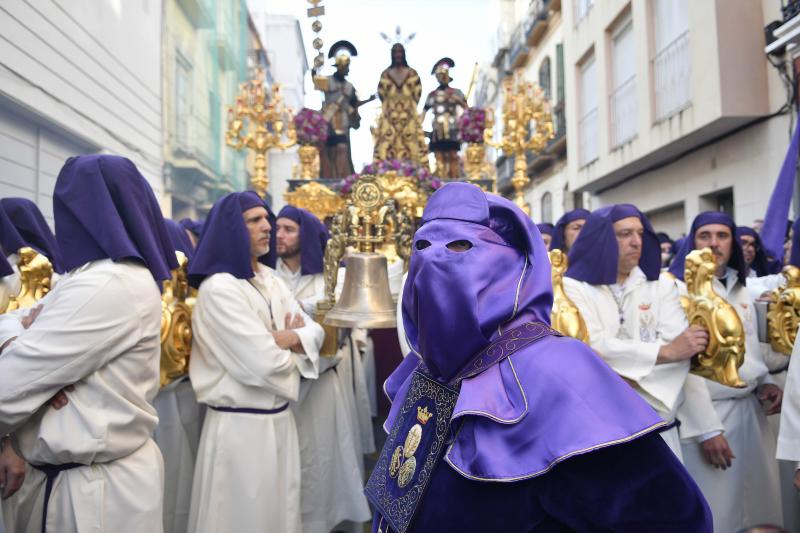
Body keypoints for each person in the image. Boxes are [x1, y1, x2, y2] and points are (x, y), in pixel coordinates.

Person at [366, 182, 711, 532]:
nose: (435, 260)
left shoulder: (562, 371)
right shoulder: (425, 371)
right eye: (421, 247)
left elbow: (671, 518)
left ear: (509, 268)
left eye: (460, 247)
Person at [0, 154, 177, 533]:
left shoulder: (108, 283)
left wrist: (30, 365)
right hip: (83, 480)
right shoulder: (89, 278)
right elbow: (14, 327)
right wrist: (23, 343)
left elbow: (9, 385)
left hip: (93, 494)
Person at [186, 191, 323, 533]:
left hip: (279, 423)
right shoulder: (220, 289)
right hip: (239, 431)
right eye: (255, 220)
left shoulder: (270, 279)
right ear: (233, 227)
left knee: (280, 517)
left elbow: (315, 332)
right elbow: (265, 364)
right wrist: (293, 344)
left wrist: (291, 338)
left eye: (267, 218)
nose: (268, 227)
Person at [563, 204, 715, 459]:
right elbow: (588, 348)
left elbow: (684, 353)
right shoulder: (573, 288)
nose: (636, 242)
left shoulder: (661, 288)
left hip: (659, 424)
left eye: (640, 233)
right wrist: (665, 352)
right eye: (624, 234)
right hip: (600, 431)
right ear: (602, 238)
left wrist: (622, 377)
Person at [669, 211, 784, 531]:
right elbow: (685, 366)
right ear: (692, 241)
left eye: (722, 236)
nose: (714, 244)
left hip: (751, 411)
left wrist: (765, 382)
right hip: (709, 416)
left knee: (761, 509)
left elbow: (747, 352)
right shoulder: (678, 292)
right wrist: (707, 429)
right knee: (717, 512)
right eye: (705, 236)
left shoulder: (740, 288)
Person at [274, 205, 370, 532]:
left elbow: (333, 332)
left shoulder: (328, 280)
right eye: (278, 228)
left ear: (306, 235)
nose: (279, 235)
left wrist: (297, 325)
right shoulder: (268, 276)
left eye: (288, 229)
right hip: (282, 386)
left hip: (321, 387)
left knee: (322, 466)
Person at [313, 40, 375, 179]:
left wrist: (368, 100)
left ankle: (343, 177)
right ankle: (328, 177)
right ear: (340, 66)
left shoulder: (349, 86)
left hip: (343, 122)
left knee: (343, 149)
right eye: (346, 66)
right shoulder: (328, 81)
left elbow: (353, 104)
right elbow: (315, 80)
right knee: (329, 150)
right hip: (329, 120)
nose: (348, 69)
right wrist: (315, 66)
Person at [372, 43, 428, 165]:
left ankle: (413, 170)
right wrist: (390, 105)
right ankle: (385, 169)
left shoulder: (412, 74)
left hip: (408, 114)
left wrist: (407, 105)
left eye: (400, 52)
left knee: (411, 140)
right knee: (387, 141)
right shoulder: (385, 74)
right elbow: (381, 93)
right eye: (395, 52)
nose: (398, 55)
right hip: (389, 115)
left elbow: (417, 93)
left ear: (403, 54)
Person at [422, 57, 468, 179]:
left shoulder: (456, 92)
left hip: (452, 127)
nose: (441, 78)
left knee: (453, 155)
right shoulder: (432, 95)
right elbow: (424, 111)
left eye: (443, 75)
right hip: (438, 128)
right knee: (439, 156)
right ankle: (441, 182)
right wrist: (418, 127)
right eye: (439, 75)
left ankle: (455, 180)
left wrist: (456, 100)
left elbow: (466, 108)